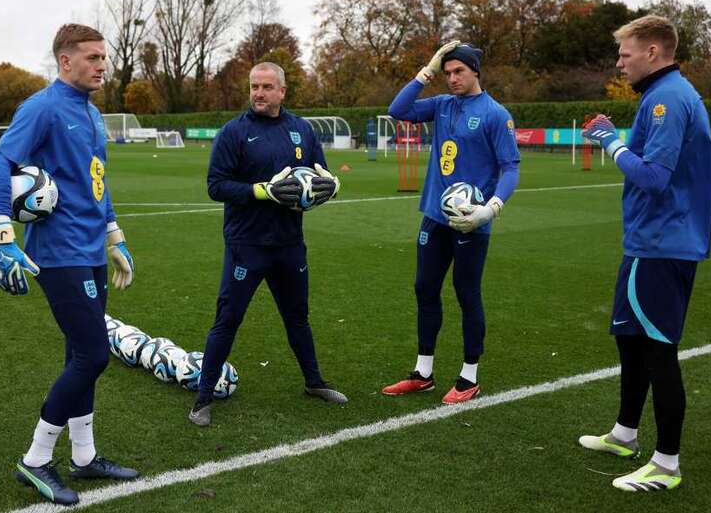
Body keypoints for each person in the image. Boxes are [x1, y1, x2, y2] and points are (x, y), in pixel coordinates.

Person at [0, 24, 139, 506]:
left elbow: (97, 181)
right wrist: (2, 235)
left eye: (104, 58)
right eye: (91, 58)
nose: (101, 66)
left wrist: (115, 236)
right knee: (93, 355)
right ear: (65, 61)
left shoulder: (91, 114)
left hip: (90, 249)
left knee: (81, 356)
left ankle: (85, 457)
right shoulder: (43, 107)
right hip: (58, 252)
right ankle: (35, 460)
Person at [579, 15, 711, 492]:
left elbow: (655, 178)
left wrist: (611, 143)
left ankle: (666, 464)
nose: (619, 62)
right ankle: (624, 434)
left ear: (653, 52)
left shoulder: (668, 100)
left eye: (625, 53)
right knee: (630, 341)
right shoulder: (663, 96)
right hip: (647, 243)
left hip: (662, 244)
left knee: (659, 353)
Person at [189, 62, 346, 427]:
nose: (258, 93)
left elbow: (319, 174)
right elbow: (216, 185)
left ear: (282, 91)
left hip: (290, 243)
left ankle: (314, 382)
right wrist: (262, 191)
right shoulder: (234, 133)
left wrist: (331, 186)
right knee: (228, 319)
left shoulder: (301, 130)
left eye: (266, 87)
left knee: (297, 318)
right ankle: (202, 398)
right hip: (248, 244)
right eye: (254, 86)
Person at [382, 42, 520, 404]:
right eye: (447, 73)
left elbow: (510, 167)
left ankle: (469, 376)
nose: (452, 79)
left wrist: (489, 209)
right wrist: (425, 70)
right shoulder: (442, 105)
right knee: (424, 288)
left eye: (458, 71)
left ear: (475, 71)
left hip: (471, 222)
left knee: (466, 293)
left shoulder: (495, 114)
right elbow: (398, 110)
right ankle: (423, 372)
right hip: (434, 216)